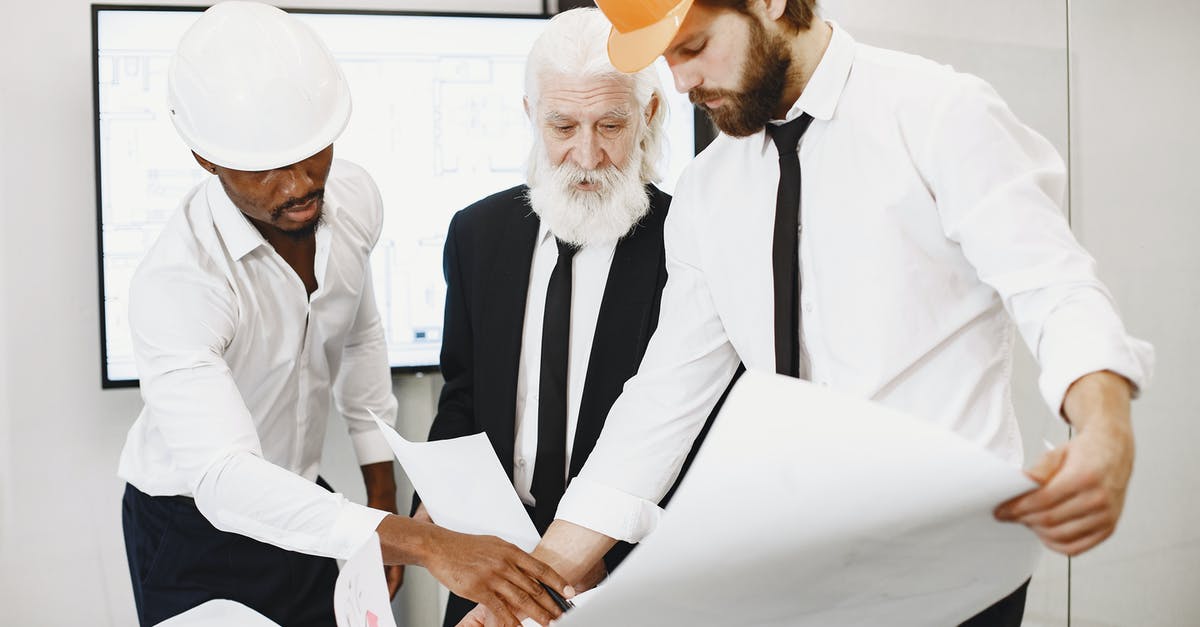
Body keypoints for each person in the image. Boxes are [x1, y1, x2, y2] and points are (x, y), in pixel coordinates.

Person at [460, 1, 1156, 626]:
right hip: (801, 574)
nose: (679, 84)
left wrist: (1104, 425)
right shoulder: (709, 189)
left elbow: (1052, 283)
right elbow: (663, 400)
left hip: (948, 564)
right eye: (667, 60)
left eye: (695, 48)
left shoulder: (935, 113)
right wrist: (525, 591)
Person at [117, 4, 568, 627]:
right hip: (192, 523)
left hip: (304, 499)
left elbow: (358, 334)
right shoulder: (179, 284)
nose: (299, 184)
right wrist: (430, 544)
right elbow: (224, 478)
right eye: (266, 167)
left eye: (311, 153)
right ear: (206, 159)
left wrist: (379, 489)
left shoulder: (352, 197)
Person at [413, 9, 733, 626]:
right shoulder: (477, 233)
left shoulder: (688, 241)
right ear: (531, 114)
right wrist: (437, 504)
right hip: (494, 559)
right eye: (563, 125)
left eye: (610, 124)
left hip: (629, 571)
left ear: (650, 117)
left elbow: (698, 432)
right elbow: (463, 395)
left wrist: (600, 558)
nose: (586, 155)